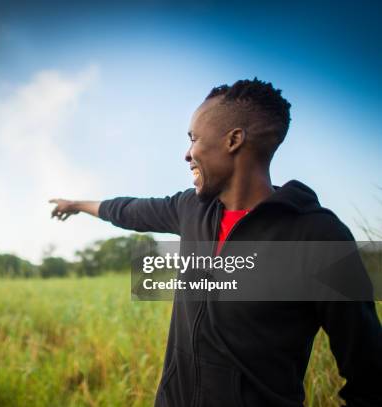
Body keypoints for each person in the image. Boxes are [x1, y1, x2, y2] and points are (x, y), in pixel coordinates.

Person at [49, 78, 381, 406]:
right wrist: (77, 205)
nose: (187, 154)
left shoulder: (318, 238)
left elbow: (370, 373)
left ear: (233, 140)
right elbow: (128, 210)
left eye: (193, 138)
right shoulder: (190, 209)